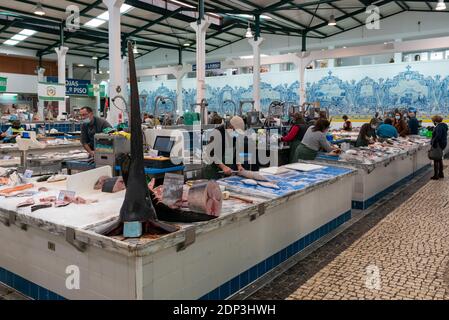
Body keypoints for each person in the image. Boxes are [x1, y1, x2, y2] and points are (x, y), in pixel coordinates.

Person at [430, 115, 448, 180]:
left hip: (438, 144)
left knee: (436, 159)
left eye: (433, 121)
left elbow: (438, 136)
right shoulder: (443, 125)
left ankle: (436, 175)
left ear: (435, 121)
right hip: (443, 144)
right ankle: (441, 173)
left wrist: (433, 142)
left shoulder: (439, 127)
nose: (433, 122)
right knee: (439, 159)